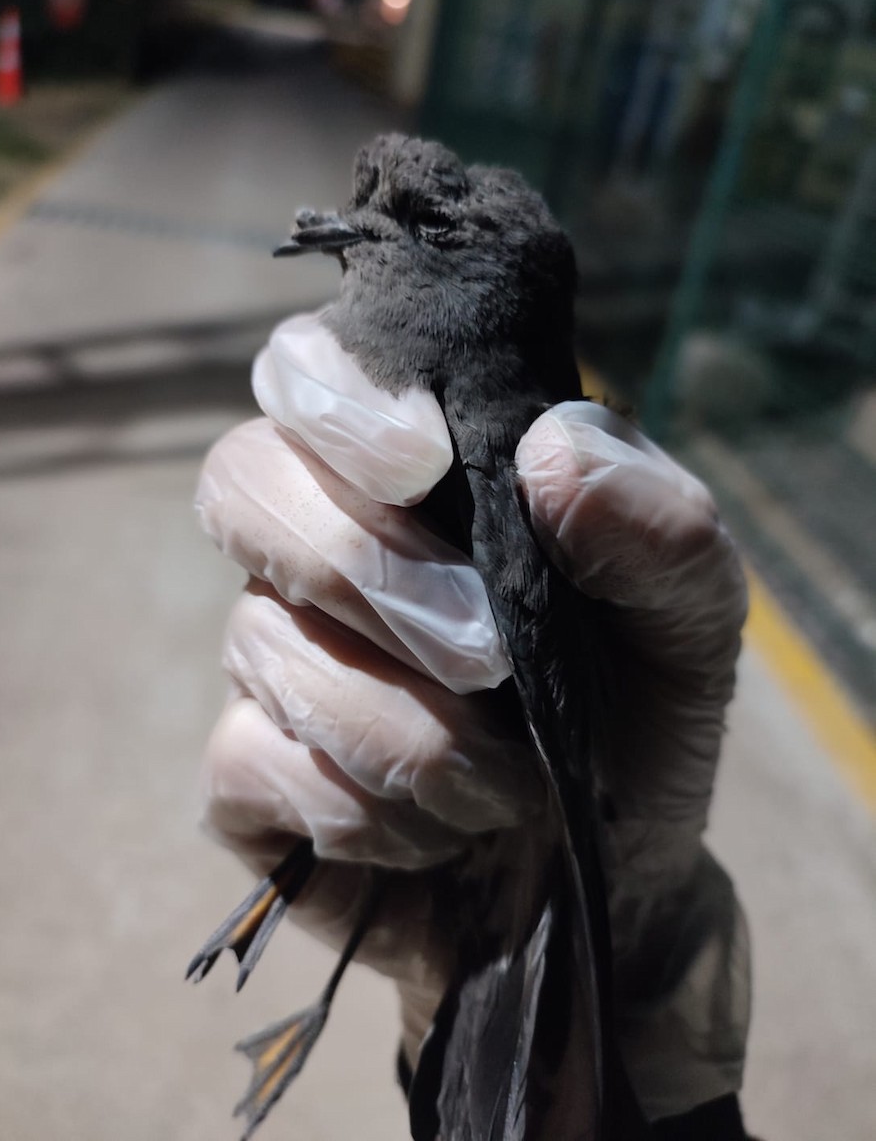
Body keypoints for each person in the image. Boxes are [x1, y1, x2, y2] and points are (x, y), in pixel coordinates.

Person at [194, 318, 753, 1137]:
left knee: (416, 785)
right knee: (376, 772)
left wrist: (624, 945)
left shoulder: (530, 441)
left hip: (554, 810)